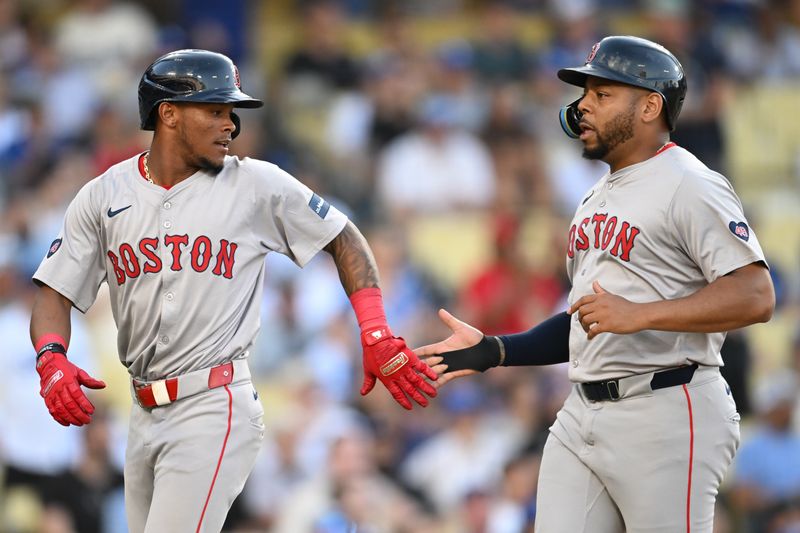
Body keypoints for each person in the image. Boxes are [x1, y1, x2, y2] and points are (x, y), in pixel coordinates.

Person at [28, 48, 437, 533]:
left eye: (232, 112)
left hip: (213, 402)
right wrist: (51, 356)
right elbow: (55, 290)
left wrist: (373, 330)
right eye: (216, 110)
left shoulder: (256, 184)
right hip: (142, 414)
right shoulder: (103, 195)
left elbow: (345, 239)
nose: (230, 125)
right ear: (169, 114)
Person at [418, 35, 775, 532]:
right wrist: (495, 350)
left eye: (603, 94)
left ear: (651, 106)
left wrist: (641, 314)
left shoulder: (690, 183)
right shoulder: (594, 198)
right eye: (585, 94)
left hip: (668, 406)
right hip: (581, 411)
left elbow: (756, 294)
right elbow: (588, 319)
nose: (583, 105)